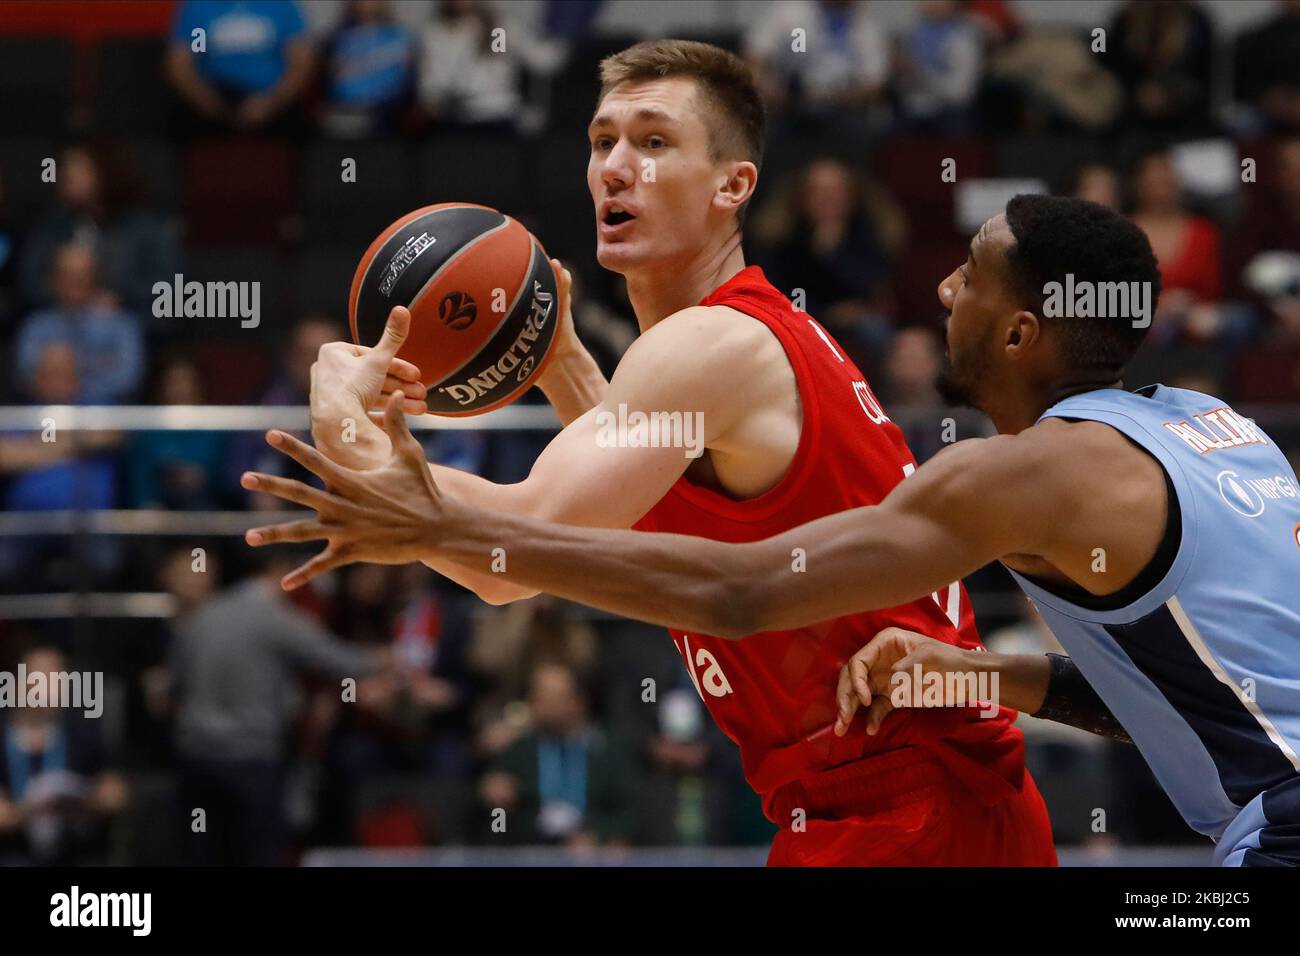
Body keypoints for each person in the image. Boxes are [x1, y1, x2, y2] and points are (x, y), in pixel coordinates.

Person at [248, 194, 1300, 867]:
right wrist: (975, 671)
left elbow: (744, 592)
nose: (940, 287)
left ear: (1021, 332)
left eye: (969, 275)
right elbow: (1190, 696)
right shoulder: (1219, 430)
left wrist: (430, 516)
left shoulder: (1019, 475)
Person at [244, 39, 1056, 867]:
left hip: (909, 809)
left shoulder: (711, 347)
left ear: (733, 185)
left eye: (654, 142)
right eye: (603, 142)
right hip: (922, 806)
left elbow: (508, 559)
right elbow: (633, 522)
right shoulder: (732, 341)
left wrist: (344, 423)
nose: (616, 167)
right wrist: (561, 361)